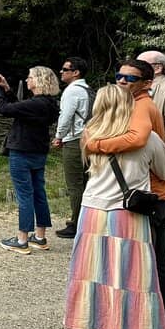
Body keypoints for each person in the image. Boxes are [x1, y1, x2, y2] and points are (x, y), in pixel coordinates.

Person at [64, 84, 165, 329]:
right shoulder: (147, 139)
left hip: (91, 210)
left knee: (88, 271)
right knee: (130, 279)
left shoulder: (90, 135)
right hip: (127, 213)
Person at [0, 66, 60, 255]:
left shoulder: (36, 104)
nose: (27, 80)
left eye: (30, 77)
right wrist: (7, 90)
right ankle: (39, 236)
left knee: (24, 196)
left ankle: (21, 239)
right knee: (38, 193)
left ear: (39, 81)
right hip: (39, 152)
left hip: (22, 152)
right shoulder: (49, 104)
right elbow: (20, 109)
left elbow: (4, 109)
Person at [53, 57, 92, 239]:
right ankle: (86, 220)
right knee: (86, 181)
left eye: (65, 69)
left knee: (75, 184)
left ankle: (76, 223)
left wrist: (59, 136)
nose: (61, 72)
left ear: (75, 72)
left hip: (75, 140)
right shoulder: (88, 90)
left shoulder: (72, 91)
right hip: (89, 139)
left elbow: (66, 116)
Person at [139, 50, 165, 136]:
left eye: (141, 65)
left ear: (158, 68)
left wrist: (161, 149)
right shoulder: (140, 88)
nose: (135, 68)